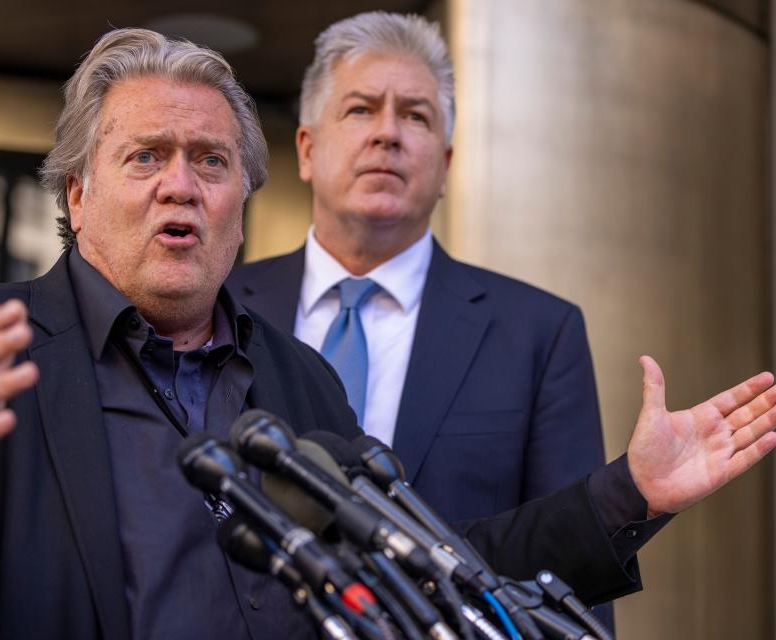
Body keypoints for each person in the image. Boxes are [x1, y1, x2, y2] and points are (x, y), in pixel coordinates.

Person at [0, 27, 776, 640]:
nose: (182, 184)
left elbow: (431, 563)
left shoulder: (298, 383)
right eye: (146, 158)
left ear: (245, 200)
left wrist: (630, 491)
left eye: (211, 161)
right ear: (77, 194)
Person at [227, 12, 605, 527]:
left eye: (415, 116)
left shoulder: (538, 335)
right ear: (308, 150)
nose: (387, 133)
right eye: (361, 109)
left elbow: (573, 546)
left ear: (446, 165)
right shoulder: (221, 306)